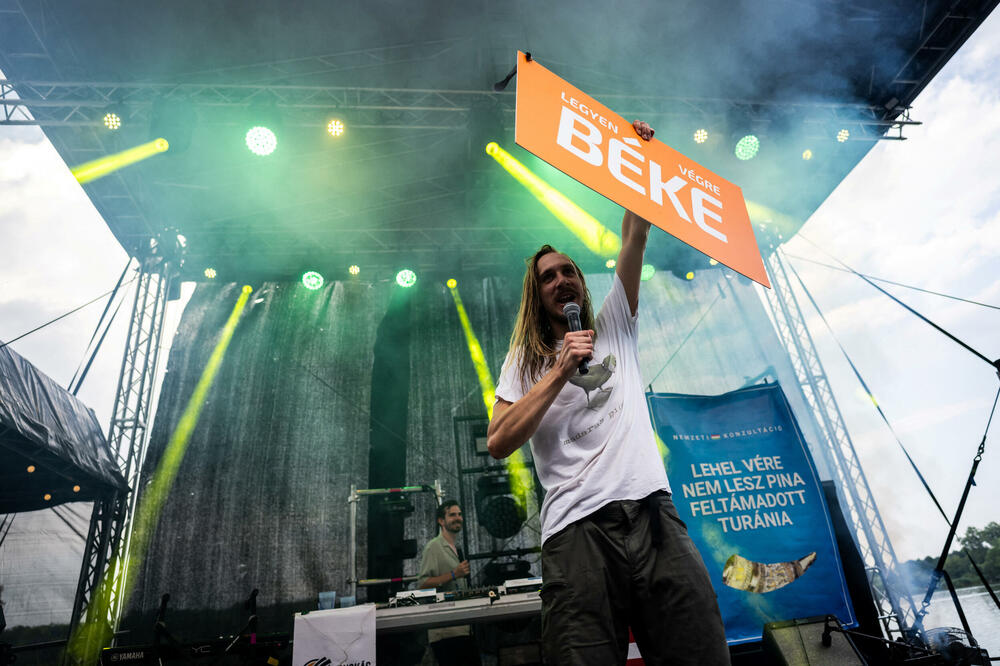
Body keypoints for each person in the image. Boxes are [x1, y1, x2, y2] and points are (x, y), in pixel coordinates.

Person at [487, 121, 730, 665]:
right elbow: (499, 440)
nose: (561, 280)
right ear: (536, 294)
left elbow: (635, 232)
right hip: (577, 530)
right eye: (548, 276)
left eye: (568, 270)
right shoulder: (524, 363)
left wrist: (636, 154)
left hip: (652, 512)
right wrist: (557, 370)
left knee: (701, 650)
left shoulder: (616, 322)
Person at [416, 500, 480, 665]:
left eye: (459, 514)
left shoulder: (457, 548)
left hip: (463, 627)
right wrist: (454, 574)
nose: (458, 518)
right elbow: (422, 585)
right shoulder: (433, 547)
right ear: (441, 521)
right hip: (445, 631)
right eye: (452, 515)